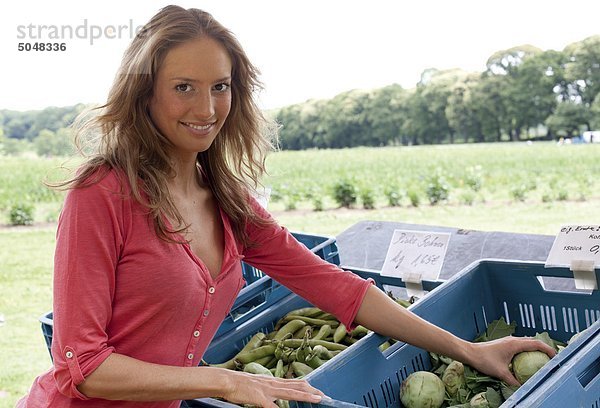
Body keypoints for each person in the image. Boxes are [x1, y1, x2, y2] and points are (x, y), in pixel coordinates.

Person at [17, 5, 555, 408]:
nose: (206, 109)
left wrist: (469, 350)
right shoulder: (101, 196)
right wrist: (225, 378)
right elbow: (84, 367)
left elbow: (336, 287)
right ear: (144, 93)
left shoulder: (226, 200)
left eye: (220, 87)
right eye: (183, 87)